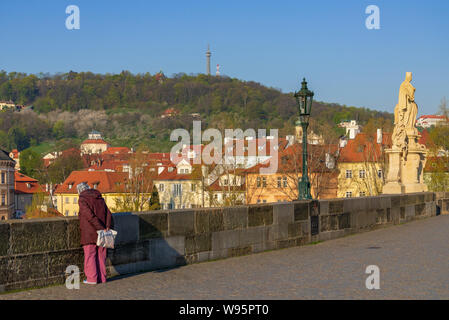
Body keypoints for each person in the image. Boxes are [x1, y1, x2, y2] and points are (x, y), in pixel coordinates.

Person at [77, 182, 113, 285]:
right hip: (103, 232)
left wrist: (100, 228)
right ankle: (102, 278)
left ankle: (92, 279)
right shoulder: (99, 197)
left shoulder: (82, 199)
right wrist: (106, 227)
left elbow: (89, 215)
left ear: (80, 191)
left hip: (89, 232)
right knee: (101, 255)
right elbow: (109, 214)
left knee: (90, 255)